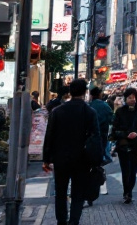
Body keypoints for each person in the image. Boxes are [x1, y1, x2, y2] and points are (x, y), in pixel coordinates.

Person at [42, 79, 98, 225]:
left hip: (61, 158)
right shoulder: (90, 112)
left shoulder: (57, 111)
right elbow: (95, 138)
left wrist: (46, 159)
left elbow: (50, 135)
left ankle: (61, 221)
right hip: (82, 158)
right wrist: (96, 159)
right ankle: (74, 221)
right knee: (78, 193)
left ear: (69, 92)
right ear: (85, 92)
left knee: (60, 191)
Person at [110, 87, 137, 204]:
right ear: (125, 98)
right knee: (125, 170)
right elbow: (114, 130)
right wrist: (126, 134)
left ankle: (129, 192)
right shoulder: (120, 111)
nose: (132, 100)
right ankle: (126, 192)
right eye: (129, 98)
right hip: (124, 144)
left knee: (133, 170)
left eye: (134, 97)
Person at [88, 87, 114, 163]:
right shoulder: (105, 106)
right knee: (101, 150)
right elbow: (112, 119)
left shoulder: (89, 105)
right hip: (102, 132)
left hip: (90, 134)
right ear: (99, 95)